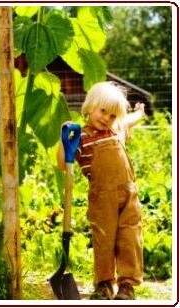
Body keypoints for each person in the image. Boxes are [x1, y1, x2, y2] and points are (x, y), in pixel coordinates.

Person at [57, 81, 145, 300]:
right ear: (90, 106)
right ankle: (104, 284)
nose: (106, 118)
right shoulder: (81, 137)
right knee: (104, 240)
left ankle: (127, 286)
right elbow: (62, 163)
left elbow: (129, 121)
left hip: (128, 196)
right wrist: (63, 141)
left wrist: (139, 113)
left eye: (112, 115)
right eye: (103, 111)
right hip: (101, 198)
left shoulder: (116, 129)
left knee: (130, 238)